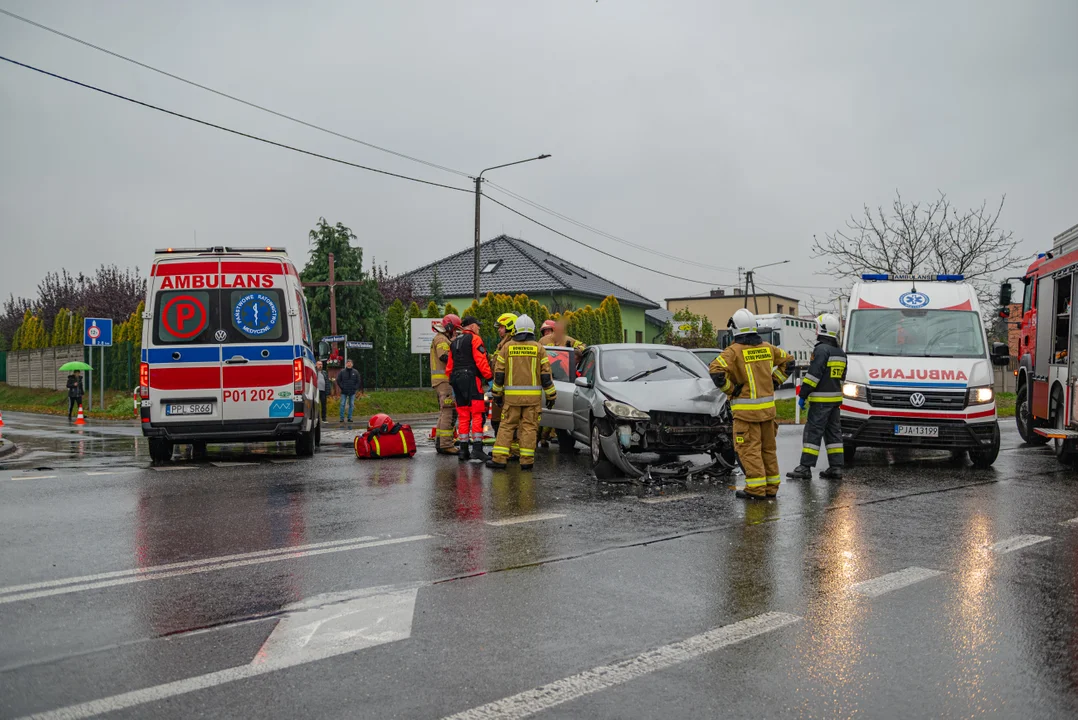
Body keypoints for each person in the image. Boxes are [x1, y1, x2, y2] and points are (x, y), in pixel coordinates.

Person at [709, 308, 794, 500]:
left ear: (735, 329)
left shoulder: (733, 352)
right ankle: (771, 488)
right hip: (768, 413)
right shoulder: (768, 348)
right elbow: (789, 362)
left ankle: (755, 489)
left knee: (749, 451)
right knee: (768, 450)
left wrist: (732, 390)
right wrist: (775, 381)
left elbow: (715, 371)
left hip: (746, 415)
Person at [487, 315, 556, 470]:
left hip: (511, 400)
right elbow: (546, 376)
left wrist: (497, 395)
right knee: (529, 428)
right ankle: (526, 461)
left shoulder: (507, 348)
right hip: (532, 401)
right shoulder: (539, 349)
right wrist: (551, 396)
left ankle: (499, 460)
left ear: (516, 330)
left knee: (506, 427)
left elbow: (499, 375)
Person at [787, 313, 847, 480]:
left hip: (820, 402)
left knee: (812, 433)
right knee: (834, 434)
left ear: (822, 329)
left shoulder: (821, 350)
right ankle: (836, 468)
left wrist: (803, 394)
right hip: (835, 401)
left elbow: (813, 376)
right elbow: (842, 377)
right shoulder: (840, 352)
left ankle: (805, 467)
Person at [445, 315, 493, 461]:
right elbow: (481, 361)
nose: (478, 327)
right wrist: (490, 379)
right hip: (471, 379)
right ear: (471, 326)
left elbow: (449, 368)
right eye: (477, 325)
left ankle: (463, 450)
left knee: (464, 415)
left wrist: (453, 383)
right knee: (477, 413)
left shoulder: (454, 342)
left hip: (456, 380)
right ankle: (477, 449)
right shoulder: (475, 339)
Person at [538, 319, 585, 447]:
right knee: (544, 410)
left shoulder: (567, 339)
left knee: (556, 408)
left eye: (548, 330)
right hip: (546, 377)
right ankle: (541, 438)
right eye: (544, 331)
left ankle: (547, 437)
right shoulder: (542, 342)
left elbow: (583, 347)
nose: (546, 333)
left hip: (563, 377)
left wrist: (575, 350)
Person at [490, 313, 521, 459]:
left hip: (506, 391)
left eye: (501, 327)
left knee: (510, 423)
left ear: (510, 327)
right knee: (497, 421)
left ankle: (512, 451)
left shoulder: (511, 345)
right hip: (499, 390)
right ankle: (502, 449)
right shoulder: (502, 344)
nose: (499, 330)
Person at [430, 315, 458, 455]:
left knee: (444, 411)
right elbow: (444, 356)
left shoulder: (442, 338)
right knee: (448, 411)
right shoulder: (441, 339)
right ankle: (446, 444)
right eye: (455, 329)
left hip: (441, 382)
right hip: (444, 381)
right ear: (450, 328)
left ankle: (440, 442)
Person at [336, 359, 361, 423]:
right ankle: (341, 418)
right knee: (342, 404)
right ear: (346, 364)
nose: (349, 364)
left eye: (350, 363)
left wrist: (355, 388)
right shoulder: (342, 372)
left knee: (351, 404)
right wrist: (342, 387)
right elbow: (338, 380)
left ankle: (349, 418)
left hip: (352, 391)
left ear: (352, 364)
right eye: (348, 363)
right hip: (344, 391)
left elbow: (358, 381)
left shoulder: (356, 372)